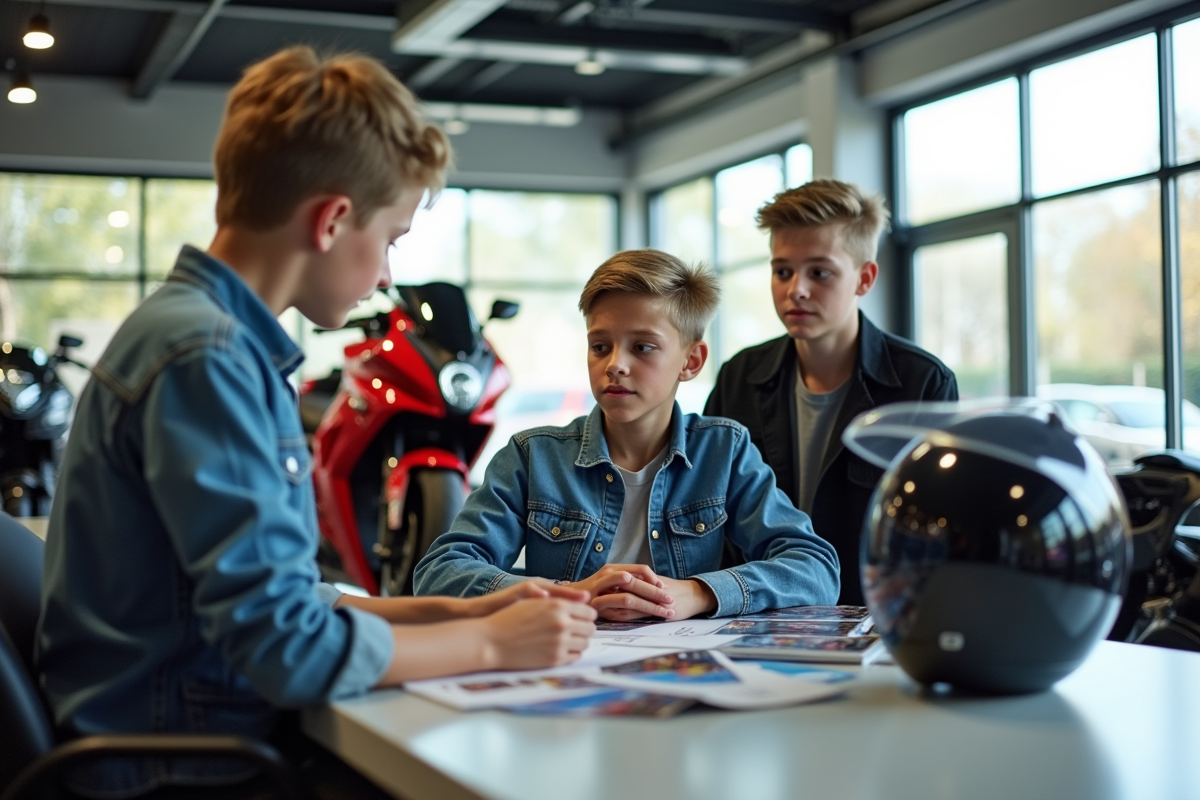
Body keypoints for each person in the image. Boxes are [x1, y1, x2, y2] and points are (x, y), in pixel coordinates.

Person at [36, 47, 596, 800]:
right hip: (185, 767)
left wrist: (458, 608)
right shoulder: (206, 359)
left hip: (181, 736)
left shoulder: (201, 337)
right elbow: (286, 649)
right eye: (392, 239)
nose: (389, 275)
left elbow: (282, 602)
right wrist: (494, 643)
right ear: (333, 221)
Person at [414, 249, 840, 621]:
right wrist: (568, 594)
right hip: (563, 665)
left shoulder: (724, 451)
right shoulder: (532, 456)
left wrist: (697, 593)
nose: (615, 364)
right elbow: (439, 573)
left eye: (643, 347)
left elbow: (815, 567)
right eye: (600, 346)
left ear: (691, 361)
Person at [704, 179, 958, 606]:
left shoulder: (922, 384)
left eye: (819, 272)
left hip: (870, 616)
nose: (795, 289)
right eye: (782, 271)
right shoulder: (739, 377)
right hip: (756, 613)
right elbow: (707, 510)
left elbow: (937, 533)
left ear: (864, 278)